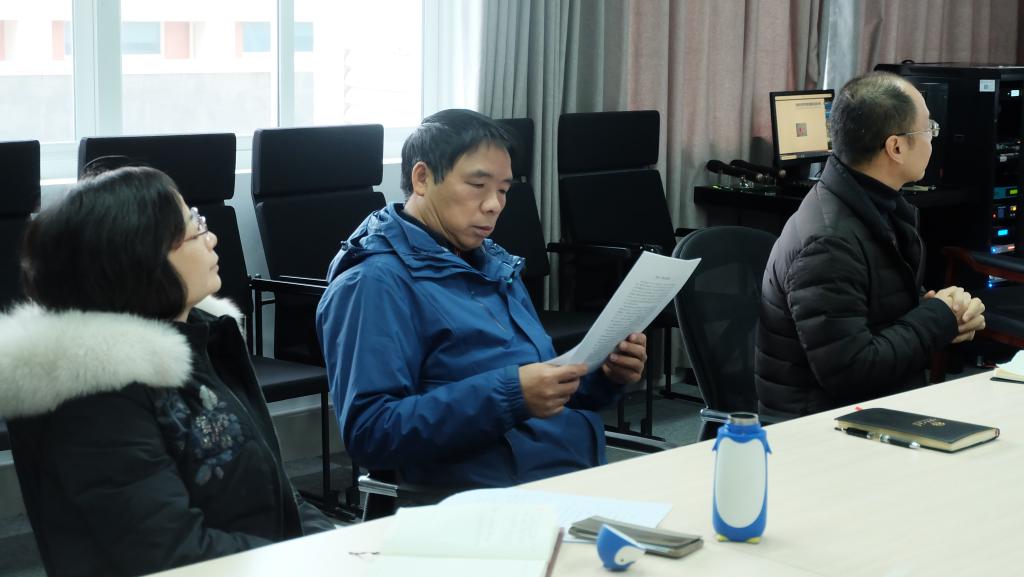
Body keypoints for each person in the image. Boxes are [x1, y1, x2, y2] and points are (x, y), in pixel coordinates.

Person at [0, 166, 334, 577]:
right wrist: (311, 561)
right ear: (142, 261)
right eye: (195, 229)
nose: (212, 238)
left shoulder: (200, 340)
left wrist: (337, 545)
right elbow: (171, 554)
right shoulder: (98, 398)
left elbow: (273, 488)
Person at [316, 109, 648, 488]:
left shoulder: (492, 263)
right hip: (487, 499)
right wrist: (511, 395)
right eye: (478, 185)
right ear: (422, 179)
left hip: (568, 474)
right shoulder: (373, 283)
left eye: (504, 190)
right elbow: (371, 433)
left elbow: (538, 385)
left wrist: (604, 377)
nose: (494, 205)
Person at [755, 71, 986, 417]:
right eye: (928, 129)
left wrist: (947, 312)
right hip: (821, 426)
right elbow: (851, 373)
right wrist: (937, 317)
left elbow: (878, 313)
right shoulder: (828, 243)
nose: (933, 138)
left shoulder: (877, 206)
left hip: (876, 407)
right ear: (896, 147)